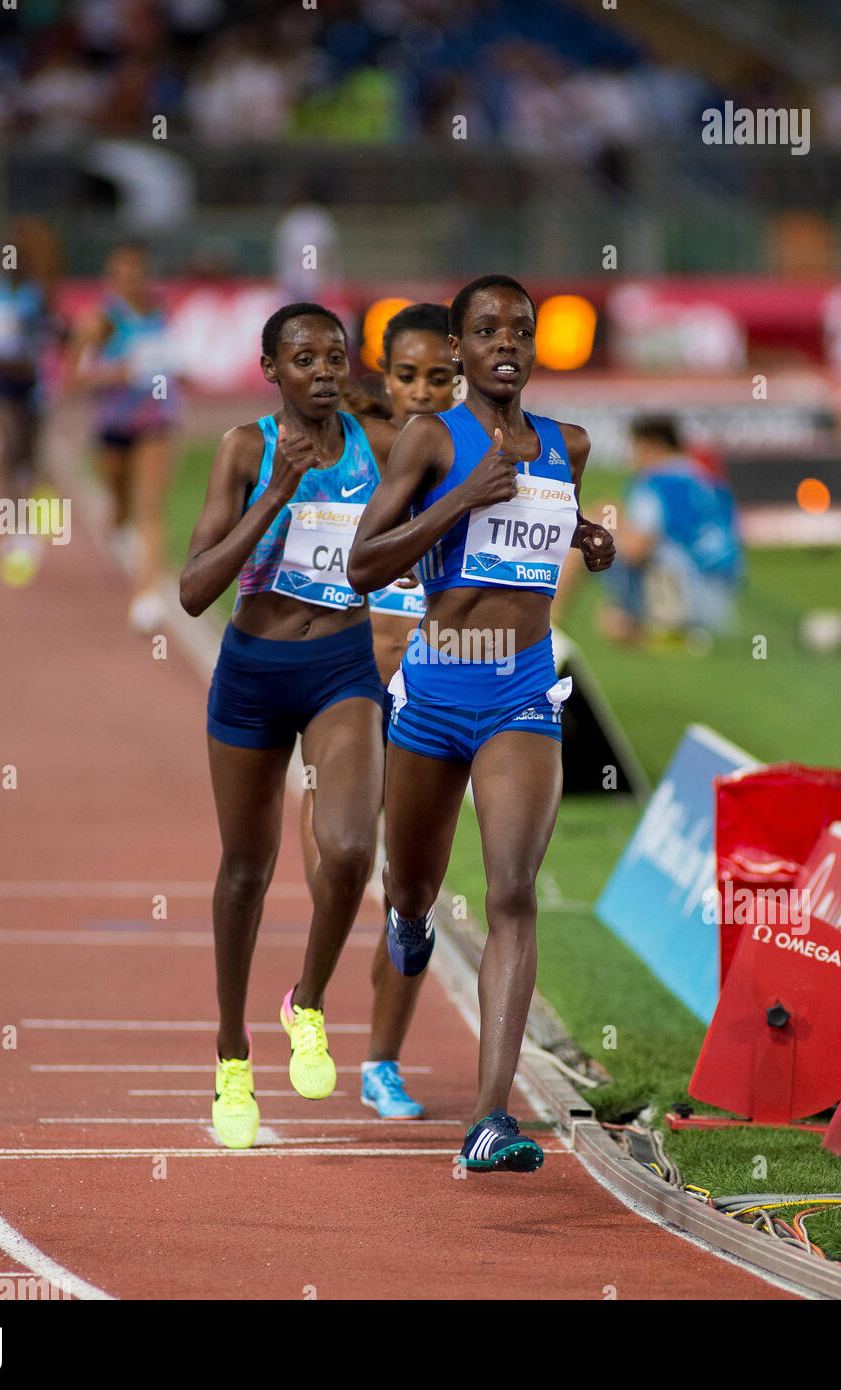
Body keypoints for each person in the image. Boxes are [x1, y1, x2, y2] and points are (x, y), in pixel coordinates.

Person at [348, 275, 615, 1171]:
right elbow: (361, 564)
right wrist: (460, 498)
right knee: (412, 889)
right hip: (433, 689)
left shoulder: (566, 445)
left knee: (509, 893)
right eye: (488, 329)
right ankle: (409, 922)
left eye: (521, 330)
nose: (507, 342)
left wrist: (585, 537)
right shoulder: (432, 437)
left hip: (522, 694)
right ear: (458, 350)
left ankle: (490, 1117)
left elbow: (541, 525)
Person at [179, 302, 397, 1150]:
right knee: (245, 870)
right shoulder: (245, 449)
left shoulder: (374, 448)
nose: (321, 369)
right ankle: (233, 1052)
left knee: (348, 852)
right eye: (302, 357)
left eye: (333, 356)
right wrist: (274, 493)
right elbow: (195, 588)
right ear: (271, 369)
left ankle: (305, 1001)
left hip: (342, 668)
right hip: (252, 674)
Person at [298, 302, 456, 1120]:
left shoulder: (474, 462)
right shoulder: (348, 462)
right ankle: (309, 1002)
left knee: (412, 899)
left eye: (440, 378)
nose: (423, 393)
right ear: (385, 378)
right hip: (345, 699)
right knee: (336, 870)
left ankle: (382, 1064)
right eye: (407, 377)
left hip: (435, 701)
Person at [68, 242, 181, 633]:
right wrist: (118, 373)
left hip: (157, 423)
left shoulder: (162, 314)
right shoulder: (99, 322)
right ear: (112, 280)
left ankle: (146, 594)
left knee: (149, 507)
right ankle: (117, 524)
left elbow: (170, 368)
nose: (132, 282)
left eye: (138, 273)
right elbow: (72, 381)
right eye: (123, 275)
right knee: (119, 507)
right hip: (113, 426)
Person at [0, 216, 64, 586]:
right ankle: (20, 531)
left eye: (19, 254)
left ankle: (41, 499)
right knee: (6, 452)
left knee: (29, 458)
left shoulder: (34, 296)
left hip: (30, 385)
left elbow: (49, 338)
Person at [600, 415, 741, 651]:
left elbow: (637, 550)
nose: (631, 456)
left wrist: (613, 518)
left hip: (687, 600)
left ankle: (552, 623)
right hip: (723, 600)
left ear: (652, 446)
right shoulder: (705, 478)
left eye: (635, 447)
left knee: (595, 526)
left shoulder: (654, 482)